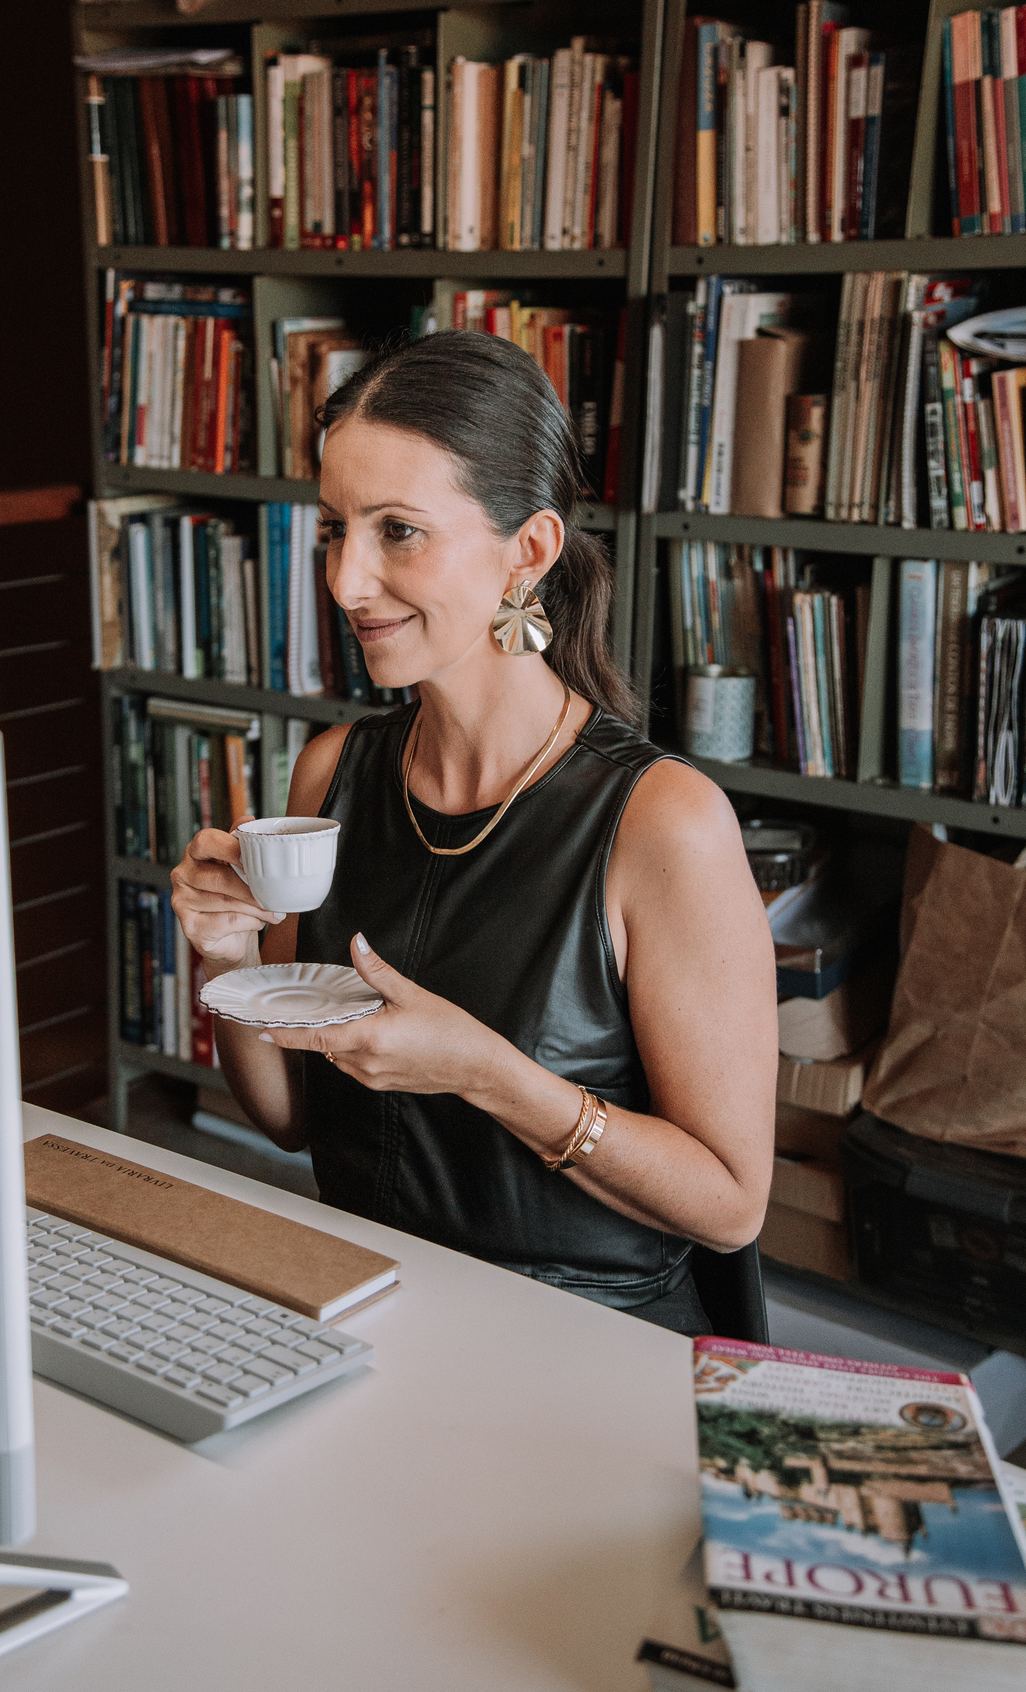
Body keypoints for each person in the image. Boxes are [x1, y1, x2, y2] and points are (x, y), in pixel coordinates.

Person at [171, 329, 776, 1335]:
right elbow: (284, 1119)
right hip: (367, 1306)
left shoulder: (662, 823)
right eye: (333, 530)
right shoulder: (334, 772)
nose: (346, 582)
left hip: (579, 1340)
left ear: (527, 553)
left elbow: (729, 1205)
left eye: (397, 530)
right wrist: (225, 956)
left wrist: (490, 1076)